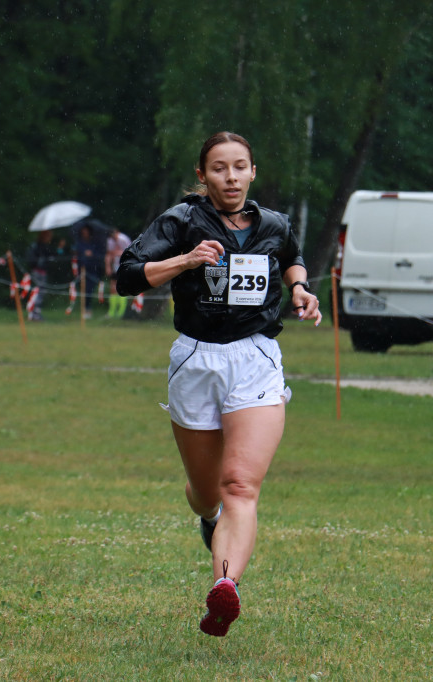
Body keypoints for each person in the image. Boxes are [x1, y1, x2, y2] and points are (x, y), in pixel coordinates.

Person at [116, 132, 321, 637]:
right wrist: (185, 260)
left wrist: (299, 288)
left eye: (240, 167)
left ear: (253, 172)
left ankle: (224, 589)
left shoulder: (273, 223)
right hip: (196, 359)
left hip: (256, 357)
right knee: (207, 493)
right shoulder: (181, 221)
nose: (230, 177)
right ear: (202, 174)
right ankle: (207, 518)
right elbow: (126, 277)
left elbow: (292, 256)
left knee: (239, 487)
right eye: (219, 168)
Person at [25, 230, 66, 321]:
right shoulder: (38, 246)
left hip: (42, 272)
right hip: (37, 272)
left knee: (40, 293)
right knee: (37, 293)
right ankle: (33, 314)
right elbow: (49, 256)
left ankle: (35, 313)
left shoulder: (43, 246)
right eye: (48, 236)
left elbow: (54, 255)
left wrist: (60, 248)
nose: (50, 238)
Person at [73, 224, 105, 320]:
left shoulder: (94, 243)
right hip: (82, 269)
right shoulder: (79, 243)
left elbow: (99, 254)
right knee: (84, 289)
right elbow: (76, 255)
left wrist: (92, 254)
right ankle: (84, 308)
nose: (85, 233)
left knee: (90, 290)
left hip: (93, 269)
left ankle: (88, 308)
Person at [106, 226, 132, 318]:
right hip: (115, 266)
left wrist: (119, 253)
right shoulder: (110, 241)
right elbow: (109, 254)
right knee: (112, 288)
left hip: (123, 266)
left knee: (122, 288)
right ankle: (112, 312)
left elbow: (130, 252)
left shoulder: (123, 239)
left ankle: (121, 312)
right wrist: (108, 266)